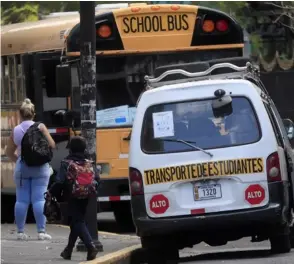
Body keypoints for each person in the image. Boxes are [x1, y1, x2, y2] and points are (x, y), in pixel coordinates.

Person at [5, 98, 56, 240]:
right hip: (40, 168)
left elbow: (8, 152)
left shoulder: (16, 130)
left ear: (20, 114)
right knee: (39, 199)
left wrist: (20, 161)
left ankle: (20, 232)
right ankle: (41, 232)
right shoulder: (41, 127)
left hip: (23, 168)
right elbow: (52, 144)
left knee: (21, 200)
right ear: (33, 114)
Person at [49, 136, 100, 261]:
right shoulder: (89, 162)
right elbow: (97, 180)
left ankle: (90, 246)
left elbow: (60, 181)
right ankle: (68, 251)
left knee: (78, 222)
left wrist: (51, 192)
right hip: (87, 195)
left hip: (72, 196)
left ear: (70, 149)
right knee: (76, 222)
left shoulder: (66, 163)